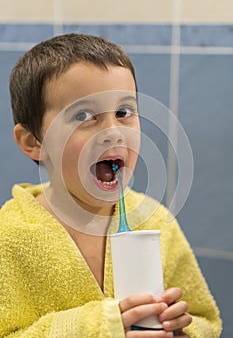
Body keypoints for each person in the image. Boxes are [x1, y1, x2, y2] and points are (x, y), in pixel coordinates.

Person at [0, 33, 221, 338]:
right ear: (34, 142)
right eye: (84, 115)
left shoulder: (155, 220)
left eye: (123, 112)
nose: (114, 133)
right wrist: (100, 326)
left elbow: (204, 319)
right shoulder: (9, 237)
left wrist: (181, 330)